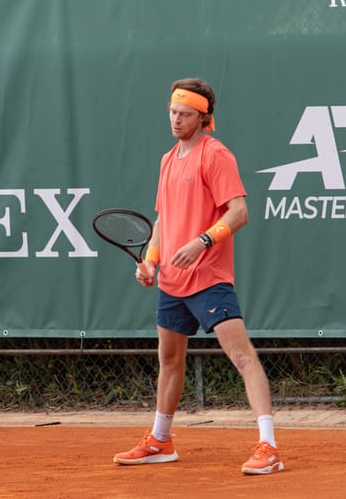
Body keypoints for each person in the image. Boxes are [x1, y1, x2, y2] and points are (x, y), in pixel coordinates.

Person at [112, 77, 284, 475]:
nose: (175, 119)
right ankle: (160, 440)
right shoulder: (168, 159)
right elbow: (162, 220)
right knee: (169, 360)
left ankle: (269, 446)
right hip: (171, 281)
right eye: (172, 111)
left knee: (242, 356)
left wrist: (202, 241)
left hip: (208, 276)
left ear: (203, 117)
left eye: (184, 114)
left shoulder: (216, 154)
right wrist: (152, 260)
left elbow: (238, 212)